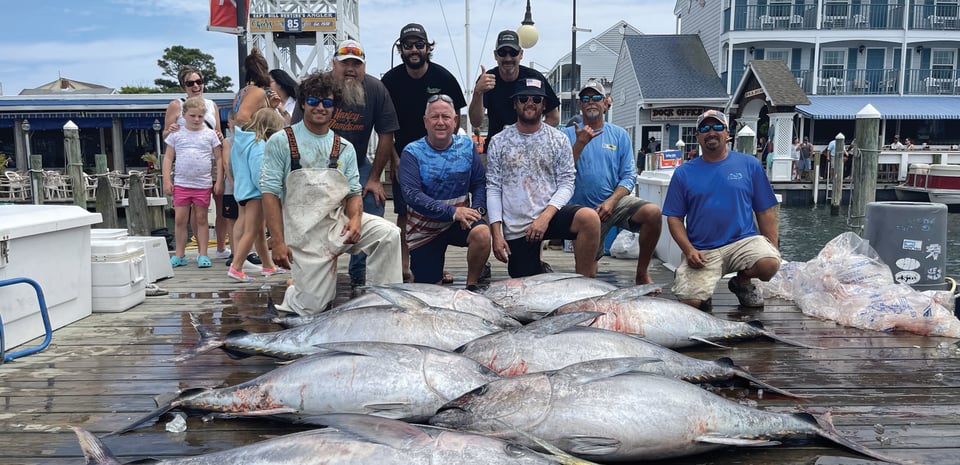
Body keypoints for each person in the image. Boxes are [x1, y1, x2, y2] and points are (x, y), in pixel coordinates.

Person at [261, 72, 402, 314]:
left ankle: (385, 305)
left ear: (334, 107)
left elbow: (354, 193)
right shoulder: (281, 141)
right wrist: (278, 242)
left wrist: (356, 219)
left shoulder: (344, 148)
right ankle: (297, 292)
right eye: (314, 101)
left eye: (327, 103)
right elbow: (270, 194)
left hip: (338, 224)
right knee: (311, 308)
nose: (320, 107)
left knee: (388, 234)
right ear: (304, 102)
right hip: (304, 237)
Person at [662, 110, 780, 311]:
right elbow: (674, 218)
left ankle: (741, 282)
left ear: (727, 133)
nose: (711, 132)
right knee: (691, 304)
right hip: (702, 249)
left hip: (742, 242)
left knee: (770, 263)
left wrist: (774, 248)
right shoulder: (683, 173)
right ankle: (698, 288)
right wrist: (689, 250)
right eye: (705, 128)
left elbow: (765, 211)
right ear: (698, 136)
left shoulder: (749, 164)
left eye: (717, 127)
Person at [486, 78, 600, 278]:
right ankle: (538, 268)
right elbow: (494, 189)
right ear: (515, 103)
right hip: (518, 226)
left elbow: (566, 183)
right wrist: (497, 234)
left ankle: (585, 283)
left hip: (551, 214)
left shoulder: (559, 139)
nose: (530, 103)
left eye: (536, 99)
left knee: (590, 219)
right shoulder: (498, 141)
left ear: (544, 105)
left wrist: (545, 218)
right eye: (523, 98)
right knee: (526, 283)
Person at [381, 23, 467, 284]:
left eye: (420, 45)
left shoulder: (444, 77)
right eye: (408, 45)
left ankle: (435, 266)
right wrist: (396, 160)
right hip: (404, 157)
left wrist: (446, 153)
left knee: (442, 211)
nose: (414, 50)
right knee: (405, 213)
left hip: (439, 156)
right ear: (401, 50)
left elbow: (457, 117)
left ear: (428, 48)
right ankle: (404, 267)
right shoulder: (390, 81)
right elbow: (385, 126)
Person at [563, 80, 661, 285]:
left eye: (596, 97)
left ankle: (642, 273)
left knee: (653, 213)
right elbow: (560, 172)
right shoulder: (566, 135)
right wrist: (579, 144)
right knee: (586, 277)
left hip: (613, 205)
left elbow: (629, 176)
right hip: (582, 213)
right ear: (580, 105)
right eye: (586, 98)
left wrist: (611, 201)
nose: (591, 102)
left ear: (606, 103)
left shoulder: (619, 135)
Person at [327, 39, 401, 296]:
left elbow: (386, 134)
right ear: (334, 63)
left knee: (373, 203)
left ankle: (359, 272)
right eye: (345, 62)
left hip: (357, 163)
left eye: (356, 64)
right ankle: (321, 268)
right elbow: (297, 133)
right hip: (321, 169)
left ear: (364, 67)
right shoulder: (318, 87)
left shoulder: (376, 89)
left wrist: (374, 178)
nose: (350, 68)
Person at [398, 94, 490, 291]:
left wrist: (478, 209)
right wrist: (453, 212)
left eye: (446, 117)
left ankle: (472, 285)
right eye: (435, 117)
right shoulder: (411, 152)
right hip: (424, 229)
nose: (441, 122)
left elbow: (479, 182)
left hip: (460, 221)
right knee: (430, 292)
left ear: (455, 120)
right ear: (425, 121)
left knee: (482, 233)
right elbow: (412, 195)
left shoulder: (466, 146)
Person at [162, 66, 229, 259]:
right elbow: (166, 133)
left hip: (211, 157)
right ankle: (201, 250)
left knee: (220, 203)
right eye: (190, 83)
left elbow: (217, 131)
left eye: (199, 81)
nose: (196, 86)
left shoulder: (211, 104)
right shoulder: (177, 104)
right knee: (193, 212)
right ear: (183, 85)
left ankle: (220, 248)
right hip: (187, 162)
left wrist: (219, 135)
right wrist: (172, 129)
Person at [469, 30, 560, 153]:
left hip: (530, 151)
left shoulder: (535, 78)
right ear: (495, 55)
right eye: (502, 53)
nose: (508, 58)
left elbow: (554, 118)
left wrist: (530, 138)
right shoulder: (487, 79)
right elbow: (475, 122)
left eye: (513, 52)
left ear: (521, 54)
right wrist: (477, 92)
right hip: (496, 150)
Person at [226, 108, 286, 282]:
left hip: (244, 191)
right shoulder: (259, 146)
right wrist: (269, 190)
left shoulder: (242, 143)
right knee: (251, 231)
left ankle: (268, 265)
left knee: (259, 230)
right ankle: (236, 267)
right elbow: (260, 172)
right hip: (257, 193)